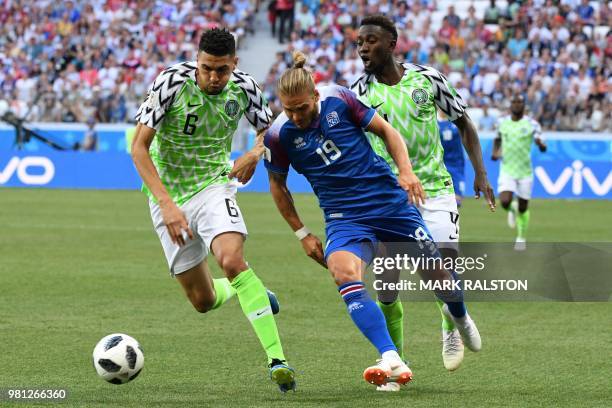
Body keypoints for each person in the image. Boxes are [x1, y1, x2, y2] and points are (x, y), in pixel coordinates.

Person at [264, 51, 481, 389]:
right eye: (288, 109)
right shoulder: (280, 135)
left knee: (438, 275)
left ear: (315, 97)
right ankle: (391, 356)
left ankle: (460, 316)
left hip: (390, 205)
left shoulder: (340, 99)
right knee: (343, 273)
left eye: (301, 108)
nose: (295, 116)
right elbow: (277, 185)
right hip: (344, 219)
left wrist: (406, 172)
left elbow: (388, 132)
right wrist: (302, 233)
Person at [130, 28, 296, 392]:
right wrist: (167, 204)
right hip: (168, 194)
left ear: (234, 64)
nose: (213, 77)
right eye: (206, 68)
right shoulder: (171, 82)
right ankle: (245, 291)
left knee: (232, 260)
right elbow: (139, 148)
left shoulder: (246, 88)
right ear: (197, 60)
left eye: (221, 70)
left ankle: (277, 360)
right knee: (202, 301)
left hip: (213, 184)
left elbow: (270, 131)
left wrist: (255, 153)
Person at [351, 15, 494, 378]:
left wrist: (480, 172)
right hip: (388, 198)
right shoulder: (358, 93)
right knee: (386, 286)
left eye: (371, 40)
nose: (363, 47)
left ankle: (451, 327)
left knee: (442, 267)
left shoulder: (428, 79)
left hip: (435, 190)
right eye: (359, 42)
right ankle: (395, 358)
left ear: (392, 44)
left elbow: (464, 121)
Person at [492, 94, 546, 251]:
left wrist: (541, 145)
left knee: (524, 207)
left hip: (525, 171)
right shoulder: (502, 123)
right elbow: (497, 139)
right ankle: (511, 209)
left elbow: (543, 145)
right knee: (505, 201)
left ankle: (521, 237)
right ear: (510, 105)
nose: (516, 104)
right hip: (507, 169)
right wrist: (495, 152)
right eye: (514, 102)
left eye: (519, 102)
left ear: (524, 105)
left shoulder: (532, 124)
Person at [438, 112, 465, 207]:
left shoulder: (457, 121)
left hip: (457, 166)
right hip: (441, 167)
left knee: (458, 202)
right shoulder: (433, 122)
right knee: (445, 199)